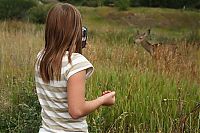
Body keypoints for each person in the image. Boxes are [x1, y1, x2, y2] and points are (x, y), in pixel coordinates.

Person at [35, 3, 116, 133]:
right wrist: (103, 100)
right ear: (76, 31)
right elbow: (76, 111)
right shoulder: (76, 63)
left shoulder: (41, 57)